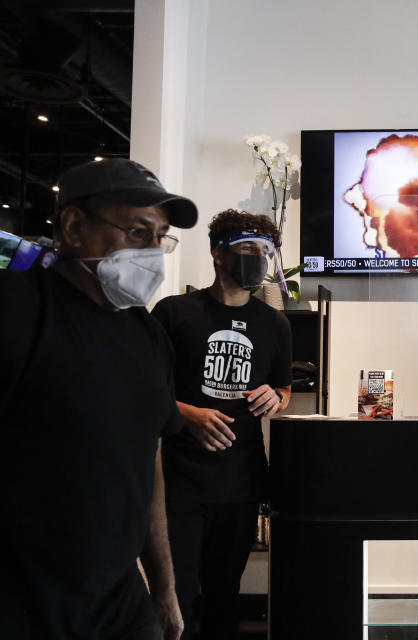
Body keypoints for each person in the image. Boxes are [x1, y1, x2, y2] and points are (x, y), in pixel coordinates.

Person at [0, 158, 198, 639]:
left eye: (160, 236)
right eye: (136, 231)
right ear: (73, 227)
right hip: (22, 600)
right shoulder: (19, 305)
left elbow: (148, 459)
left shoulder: (148, 333)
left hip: (118, 599)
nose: (152, 251)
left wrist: (165, 587)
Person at [151, 209, 292, 640]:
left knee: (224, 593)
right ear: (218, 254)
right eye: (247, 249)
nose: (258, 259)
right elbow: (147, 391)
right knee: (177, 593)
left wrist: (276, 397)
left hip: (241, 480)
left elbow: (283, 390)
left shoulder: (275, 324)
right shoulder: (174, 313)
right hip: (180, 480)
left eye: (265, 251)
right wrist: (189, 413)